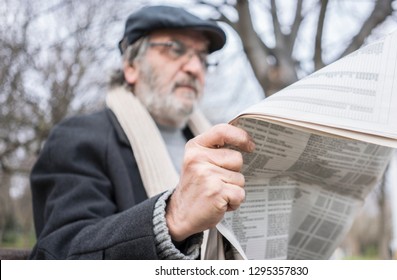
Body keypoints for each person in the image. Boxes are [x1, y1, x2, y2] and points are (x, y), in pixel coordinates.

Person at [29, 5, 255, 260]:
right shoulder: (77, 139)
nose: (194, 68)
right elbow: (57, 253)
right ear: (131, 67)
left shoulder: (219, 147)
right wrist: (173, 217)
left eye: (202, 57)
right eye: (176, 49)